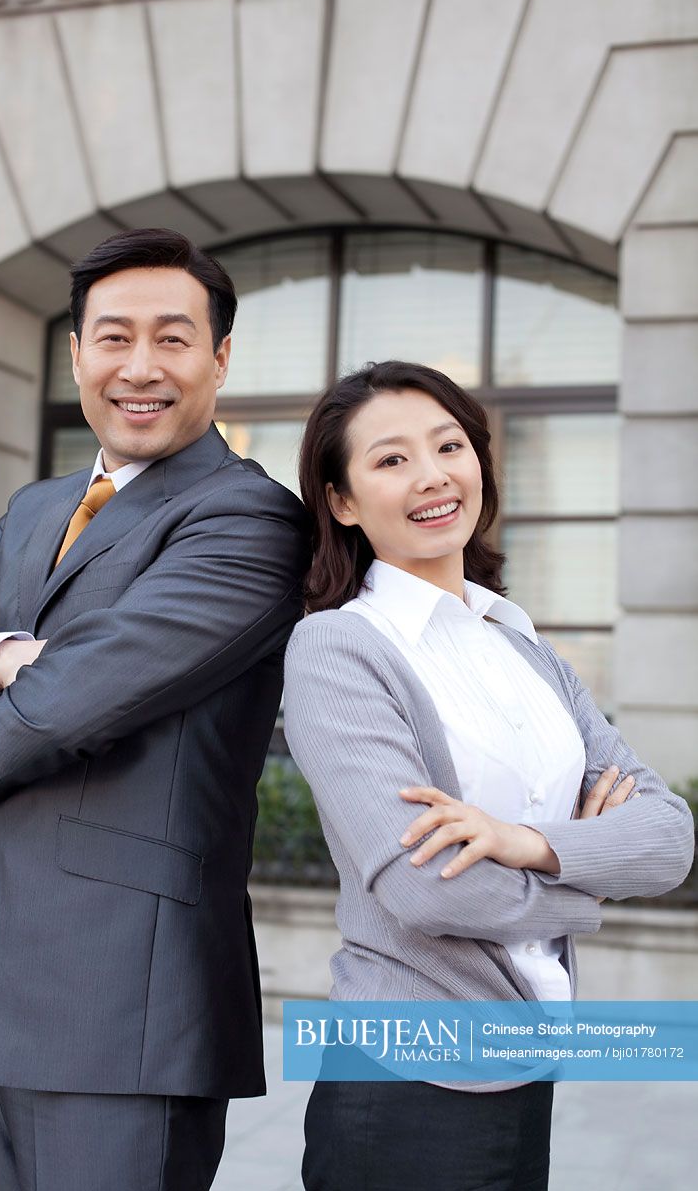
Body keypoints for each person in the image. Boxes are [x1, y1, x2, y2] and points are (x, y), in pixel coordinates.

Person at [0, 228, 309, 1191]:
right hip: (12, 983)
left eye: (172, 338)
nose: (139, 367)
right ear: (76, 354)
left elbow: (69, 706)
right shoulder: (37, 509)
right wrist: (1, 656)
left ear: (219, 357)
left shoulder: (249, 519)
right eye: (113, 338)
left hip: (132, 1004)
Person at [282, 360, 694, 1191]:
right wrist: (589, 877)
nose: (432, 476)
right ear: (342, 500)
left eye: (449, 445)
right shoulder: (339, 648)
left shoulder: (522, 645)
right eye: (391, 459)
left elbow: (667, 836)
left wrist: (521, 841)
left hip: (526, 1061)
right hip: (405, 1077)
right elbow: (427, 890)